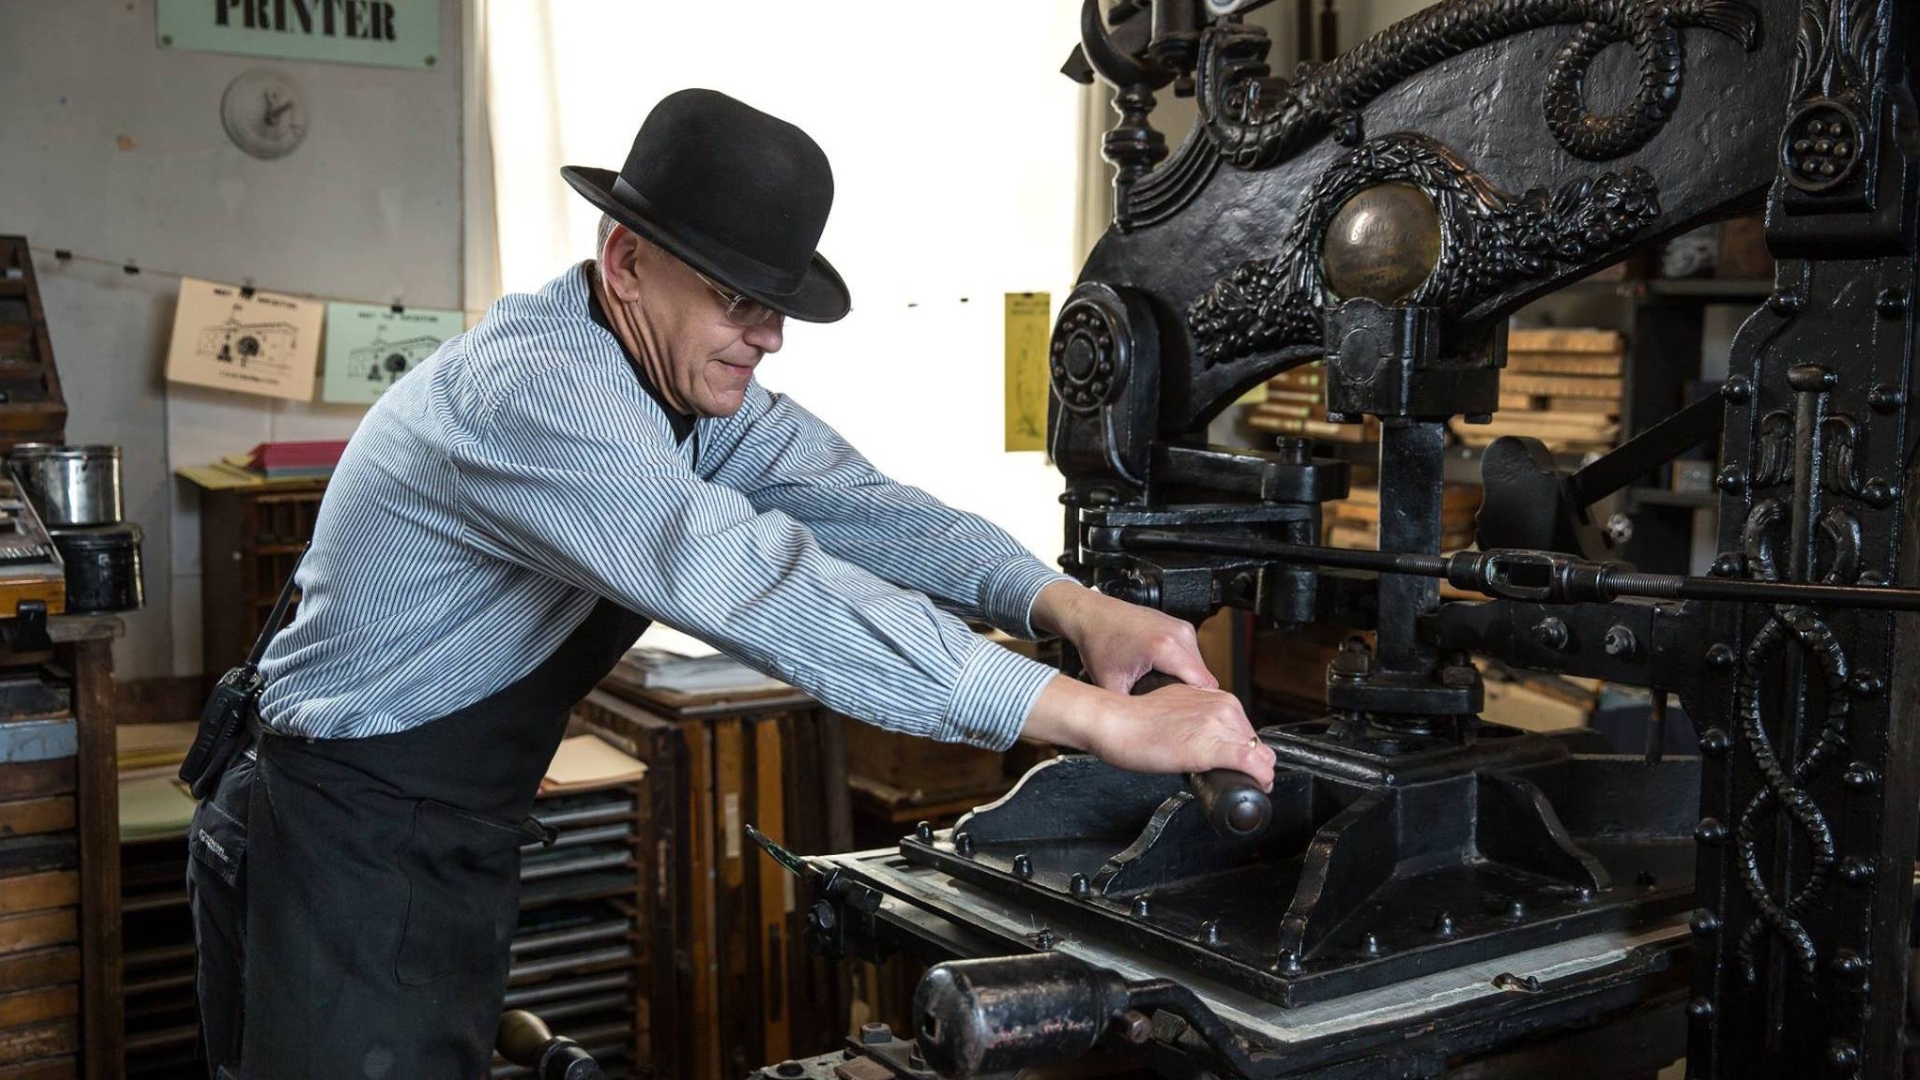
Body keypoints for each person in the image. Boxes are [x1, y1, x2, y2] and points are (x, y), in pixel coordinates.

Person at [185, 87, 1275, 1078]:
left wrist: (1075, 611)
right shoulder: (539, 396)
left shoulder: (669, 377)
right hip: (337, 845)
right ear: (625, 261)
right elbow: (755, 582)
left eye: (777, 304)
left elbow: (860, 507)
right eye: (736, 299)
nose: (769, 339)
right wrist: (1093, 722)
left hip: (426, 838)